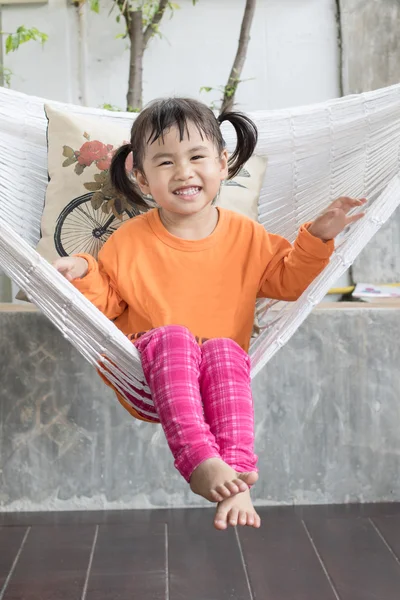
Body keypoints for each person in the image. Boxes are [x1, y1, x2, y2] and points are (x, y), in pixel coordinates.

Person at [53, 97, 366, 530]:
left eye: (197, 157)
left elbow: (289, 280)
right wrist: (82, 270)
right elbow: (107, 298)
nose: (183, 172)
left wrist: (318, 237)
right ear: (142, 178)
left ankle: (236, 477)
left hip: (220, 388)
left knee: (222, 349)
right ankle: (198, 459)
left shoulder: (247, 235)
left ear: (222, 164)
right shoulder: (129, 240)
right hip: (147, 378)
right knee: (176, 337)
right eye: (165, 162)